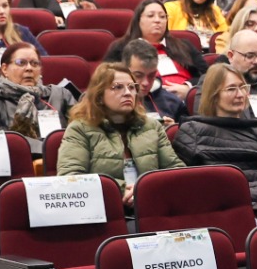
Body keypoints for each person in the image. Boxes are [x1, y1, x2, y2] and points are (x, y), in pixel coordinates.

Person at [173, 64, 257, 204]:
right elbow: (194, 187)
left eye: (243, 87)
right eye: (231, 89)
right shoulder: (193, 131)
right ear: (213, 94)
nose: (240, 94)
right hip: (236, 205)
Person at [58, 62, 182, 205]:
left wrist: (145, 190)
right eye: (117, 87)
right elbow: (70, 178)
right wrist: (121, 191)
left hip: (151, 205)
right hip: (106, 211)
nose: (128, 93)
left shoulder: (152, 126)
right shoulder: (80, 129)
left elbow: (176, 171)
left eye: (131, 87)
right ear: (99, 95)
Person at [0, 42, 75, 148]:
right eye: (21, 63)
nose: (29, 68)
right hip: (14, 161)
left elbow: (80, 134)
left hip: (60, 160)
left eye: (34, 63)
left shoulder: (61, 95)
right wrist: (45, 149)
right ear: (5, 69)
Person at [108, 0, 208, 94]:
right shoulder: (121, 48)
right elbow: (108, 79)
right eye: (151, 16)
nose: (157, 20)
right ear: (138, 20)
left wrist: (189, 87)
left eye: (162, 16)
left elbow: (208, 76)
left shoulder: (184, 45)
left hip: (186, 99)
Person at [122, 40, 186, 128]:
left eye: (151, 76)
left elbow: (188, 136)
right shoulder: (109, 102)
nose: (146, 83)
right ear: (124, 71)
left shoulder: (174, 103)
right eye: (138, 75)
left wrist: (173, 131)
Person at [163, 0, 230, 52]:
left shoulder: (215, 11)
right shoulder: (171, 8)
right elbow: (167, 38)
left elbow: (224, 36)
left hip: (210, 54)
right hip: (182, 53)